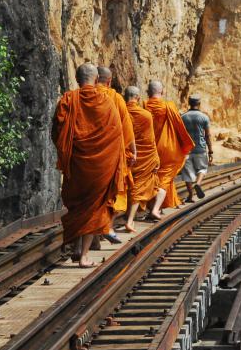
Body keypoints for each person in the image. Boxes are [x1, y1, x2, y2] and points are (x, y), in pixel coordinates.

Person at [51, 63, 125, 267]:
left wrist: (68, 153)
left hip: (76, 165)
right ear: (97, 79)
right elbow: (116, 134)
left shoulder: (68, 99)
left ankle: (76, 248)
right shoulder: (107, 101)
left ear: (76, 78)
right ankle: (83, 255)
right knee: (94, 206)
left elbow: (57, 131)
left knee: (79, 205)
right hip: (101, 166)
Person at [96, 66, 136, 243]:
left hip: (86, 154)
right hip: (111, 154)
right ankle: (107, 227)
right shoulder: (115, 98)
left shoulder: (77, 96)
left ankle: (87, 241)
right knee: (112, 191)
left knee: (89, 196)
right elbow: (127, 129)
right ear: (109, 81)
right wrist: (133, 151)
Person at [143, 81, 194, 209]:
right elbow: (179, 128)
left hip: (149, 149)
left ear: (147, 92)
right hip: (168, 149)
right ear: (162, 92)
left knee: (152, 177)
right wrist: (185, 146)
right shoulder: (169, 106)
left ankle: (154, 206)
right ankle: (156, 208)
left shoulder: (143, 105)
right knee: (164, 177)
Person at [123, 86, 166, 231]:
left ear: (124, 96)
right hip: (144, 158)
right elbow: (150, 140)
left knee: (125, 187)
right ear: (138, 98)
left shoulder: (119, 112)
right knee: (138, 188)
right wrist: (156, 159)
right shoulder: (146, 115)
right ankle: (129, 220)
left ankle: (120, 219)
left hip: (125, 155)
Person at [180, 95, 213, 202]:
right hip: (200, 149)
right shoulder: (204, 117)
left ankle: (190, 195)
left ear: (189, 103)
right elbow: (207, 135)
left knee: (187, 174)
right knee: (202, 169)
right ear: (199, 104)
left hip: (187, 150)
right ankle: (198, 184)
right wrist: (211, 151)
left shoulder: (183, 117)